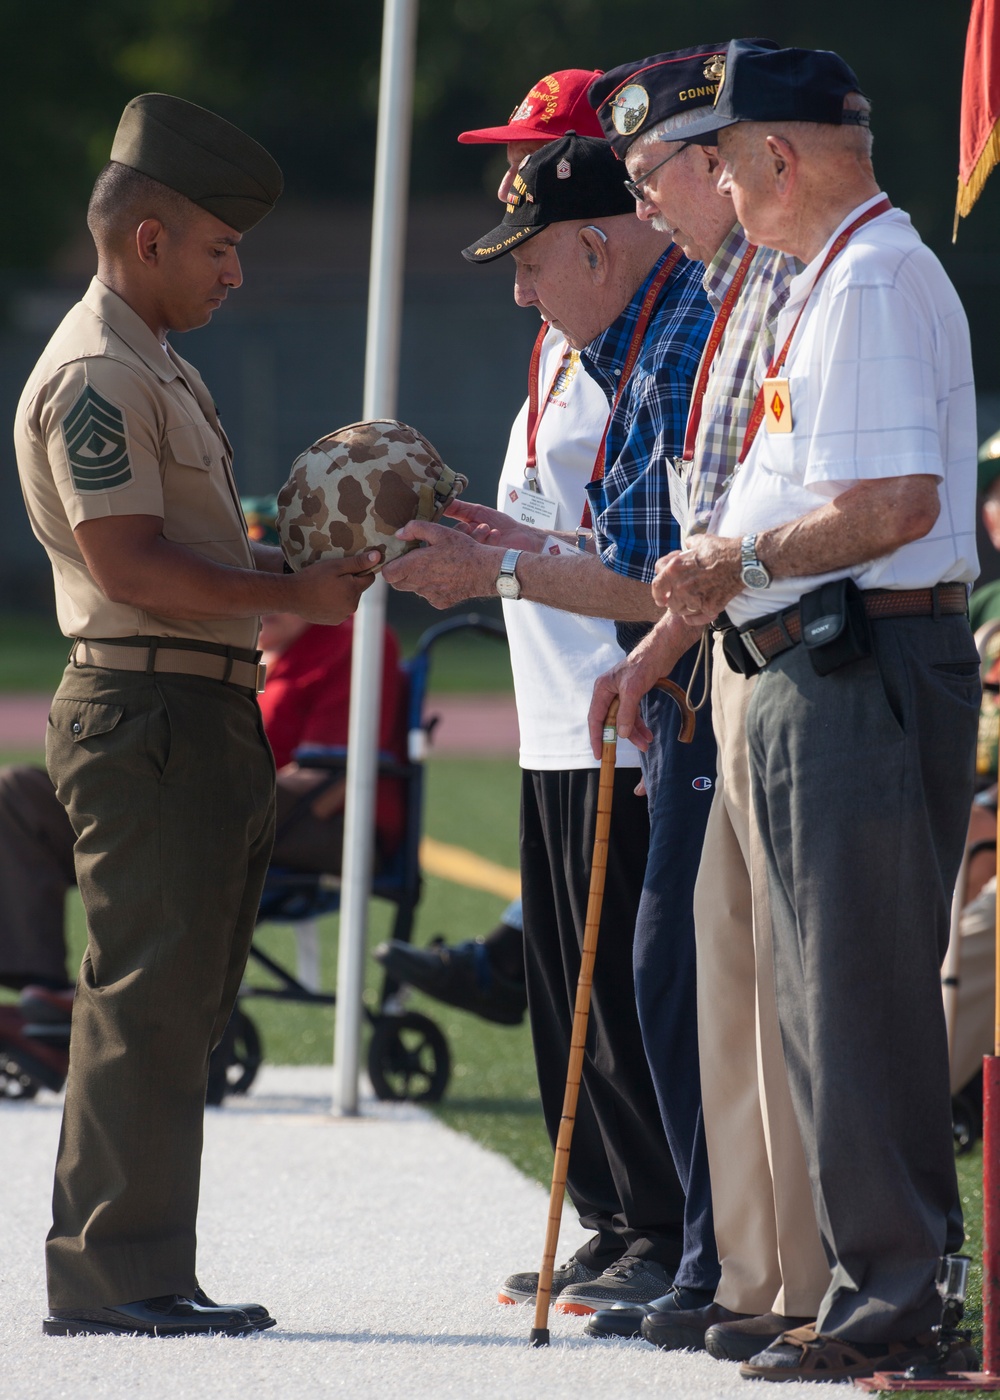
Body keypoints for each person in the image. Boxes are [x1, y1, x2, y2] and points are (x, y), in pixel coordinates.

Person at [14, 93, 378, 1338]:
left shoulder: (154, 360)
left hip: (197, 703)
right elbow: (128, 560)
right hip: (148, 705)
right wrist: (288, 593)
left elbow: (181, 553)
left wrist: (275, 578)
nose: (238, 273)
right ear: (149, 238)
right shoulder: (102, 375)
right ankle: (114, 1275)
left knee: (180, 1005)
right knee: (147, 999)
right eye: (221, 249)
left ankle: (147, 1264)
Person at [653, 41, 980, 1381]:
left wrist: (739, 562)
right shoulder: (837, 279)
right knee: (820, 1001)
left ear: (778, 156)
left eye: (724, 160)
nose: (721, 188)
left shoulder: (877, 282)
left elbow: (896, 506)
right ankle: (875, 1284)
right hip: (822, 667)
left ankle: (893, 1293)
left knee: (854, 1002)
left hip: (862, 667)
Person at [385, 123, 720, 1315]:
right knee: (572, 968)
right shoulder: (584, 340)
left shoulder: (663, 333)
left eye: (529, 255)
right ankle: (619, 1216)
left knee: (631, 986)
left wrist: (503, 572)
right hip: (560, 694)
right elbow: (598, 529)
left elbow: (659, 569)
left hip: (625, 699)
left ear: (596, 235)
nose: (518, 283)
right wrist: (513, 544)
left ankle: (660, 1221)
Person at [580, 48, 830, 1358]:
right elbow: (699, 516)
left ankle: (752, 1256)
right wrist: (654, 647)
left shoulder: (790, 290)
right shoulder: (721, 296)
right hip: (706, 663)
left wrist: (652, 639)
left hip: (793, 660)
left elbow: (751, 521)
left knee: (720, 970)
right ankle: (722, 1256)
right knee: (687, 964)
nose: (655, 196)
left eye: (659, 169)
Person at [375, 69, 610, 1033]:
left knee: (615, 1045)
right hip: (557, 718)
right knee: (572, 1035)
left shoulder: (624, 326)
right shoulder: (558, 322)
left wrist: (501, 563)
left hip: (621, 719)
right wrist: (498, 538)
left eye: (535, 153)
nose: (514, 173)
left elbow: (661, 547)